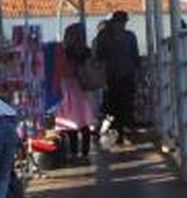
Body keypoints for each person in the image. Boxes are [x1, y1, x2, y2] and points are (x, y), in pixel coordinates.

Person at [96, 11, 140, 144]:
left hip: (126, 74)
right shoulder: (104, 36)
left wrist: (136, 71)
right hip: (111, 75)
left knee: (126, 104)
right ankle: (117, 133)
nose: (121, 24)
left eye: (123, 22)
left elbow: (135, 55)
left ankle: (123, 132)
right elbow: (99, 55)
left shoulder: (130, 36)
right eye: (119, 22)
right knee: (112, 105)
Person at [54, 23, 97, 159]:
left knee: (69, 122)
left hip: (65, 86)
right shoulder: (84, 51)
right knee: (83, 121)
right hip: (78, 87)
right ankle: (85, 151)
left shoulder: (63, 51)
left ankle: (73, 152)